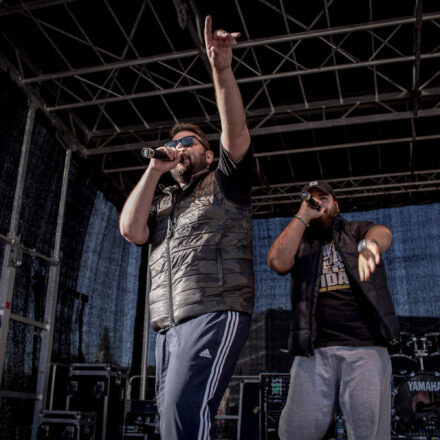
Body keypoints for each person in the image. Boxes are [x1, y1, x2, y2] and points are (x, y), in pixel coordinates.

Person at [119, 15, 254, 440]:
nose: (179, 148)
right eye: (174, 142)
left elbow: (235, 131)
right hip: (168, 324)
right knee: (174, 423)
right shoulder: (161, 201)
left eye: (188, 142)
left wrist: (222, 70)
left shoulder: (225, 181)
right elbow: (130, 231)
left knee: (183, 411)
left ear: (208, 155)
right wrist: (155, 170)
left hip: (214, 309)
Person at [267, 180, 400, 440]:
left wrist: (370, 246)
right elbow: (277, 261)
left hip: (365, 346)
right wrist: (303, 215)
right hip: (314, 349)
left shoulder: (356, 230)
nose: (317, 201)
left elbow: (383, 233)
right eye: (311, 197)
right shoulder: (301, 240)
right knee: (295, 431)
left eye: (324, 197)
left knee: (368, 432)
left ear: (336, 205)